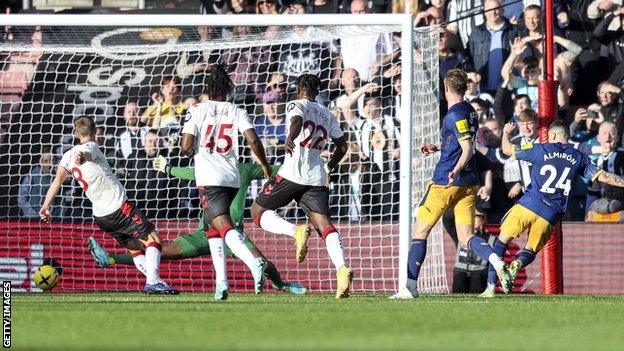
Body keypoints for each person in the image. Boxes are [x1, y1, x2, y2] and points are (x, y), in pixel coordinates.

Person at [87, 159, 307, 295]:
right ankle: (112, 259)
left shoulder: (244, 168)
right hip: (206, 234)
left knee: (264, 264)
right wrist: (169, 168)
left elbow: (278, 170)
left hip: (233, 235)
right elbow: (189, 173)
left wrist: (302, 169)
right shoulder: (209, 169)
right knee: (159, 250)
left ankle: (281, 285)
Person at [390, 69, 511, 299]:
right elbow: (462, 142)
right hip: (469, 184)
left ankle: (410, 288)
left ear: (446, 88)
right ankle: (495, 260)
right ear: (465, 88)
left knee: (420, 231)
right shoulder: (470, 111)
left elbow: (467, 149)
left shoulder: (455, 114)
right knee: (466, 236)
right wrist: (438, 147)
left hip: (447, 180)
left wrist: (454, 170)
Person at [480, 120, 624, 297]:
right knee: (530, 250)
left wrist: (507, 133)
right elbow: (604, 177)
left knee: (501, 243)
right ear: (568, 136)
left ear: (552, 135)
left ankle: (489, 288)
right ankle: (517, 263)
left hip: (529, 204)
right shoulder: (579, 157)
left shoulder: (541, 149)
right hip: (550, 213)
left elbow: (507, 149)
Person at [39, 116, 178, 294]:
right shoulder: (91, 147)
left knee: (135, 248)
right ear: (95, 132)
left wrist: (45, 206)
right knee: (155, 240)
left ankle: (156, 281)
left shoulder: (66, 156)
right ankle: (152, 281)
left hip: (101, 217)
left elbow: (57, 181)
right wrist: (81, 156)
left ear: (75, 134)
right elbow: (86, 152)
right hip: (119, 207)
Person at [249, 74, 353, 299]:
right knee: (324, 225)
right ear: (317, 91)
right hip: (317, 177)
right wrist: (329, 167)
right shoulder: (327, 113)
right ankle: (342, 269)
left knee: (257, 211)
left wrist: (290, 138)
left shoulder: (295, 104)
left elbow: (296, 121)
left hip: (292, 173)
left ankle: (295, 231)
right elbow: (343, 146)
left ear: (298, 90)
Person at [180, 63, 272, 301]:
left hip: (209, 178)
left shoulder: (197, 110)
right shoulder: (237, 110)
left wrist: (194, 153)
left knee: (223, 227)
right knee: (212, 229)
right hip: (231, 178)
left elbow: (186, 146)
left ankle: (254, 262)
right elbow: (252, 139)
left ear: (208, 88)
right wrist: (263, 163)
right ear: (228, 89)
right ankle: (221, 283)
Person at [18, 152, 63, 219]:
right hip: (33, 219)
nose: (49, 164)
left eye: (52, 160)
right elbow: (22, 199)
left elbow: (61, 201)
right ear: (40, 162)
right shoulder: (31, 176)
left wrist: (57, 216)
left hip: (52, 219)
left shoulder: (56, 178)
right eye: (45, 161)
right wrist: (34, 215)